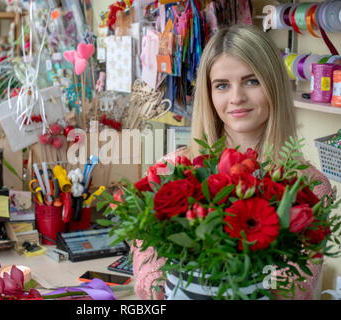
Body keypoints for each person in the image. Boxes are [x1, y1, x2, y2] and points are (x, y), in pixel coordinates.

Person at [131, 24, 337, 300]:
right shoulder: (170, 170)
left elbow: (297, 286)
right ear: (209, 93)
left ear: (274, 84)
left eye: (252, 81)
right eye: (222, 85)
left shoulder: (309, 186)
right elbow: (148, 267)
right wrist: (159, 288)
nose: (236, 97)